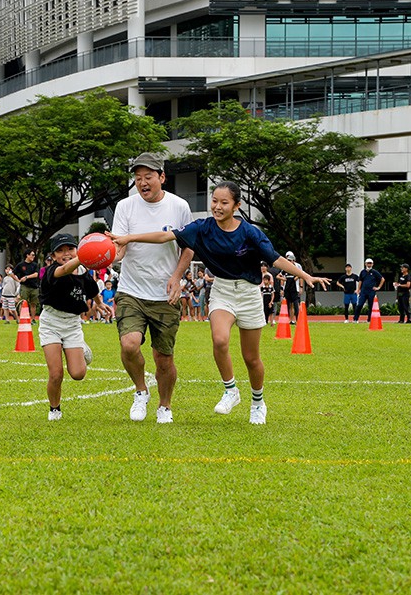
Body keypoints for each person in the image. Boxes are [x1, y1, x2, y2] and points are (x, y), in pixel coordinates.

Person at [112, 181, 330, 425]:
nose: (217, 206)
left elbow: (275, 258)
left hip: (249, 293)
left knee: (251, 358)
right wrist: (128, 238)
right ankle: (230, 390)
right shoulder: (202, 228)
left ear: (236, 206)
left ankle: (258, 402)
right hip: (222, 290)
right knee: (219, 340)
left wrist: (305, 275)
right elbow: (165, 236)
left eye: (224, 202)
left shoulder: (249, 232)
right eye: (214, 201)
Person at [110, 152, 194, 424]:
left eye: (148, 177)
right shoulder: (125, 206)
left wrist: (177, 277)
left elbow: (188, 247)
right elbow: (120, 247)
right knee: (129, 344)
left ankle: (164, 406)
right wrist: (109, 256)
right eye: (138, 178)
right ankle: (140, 390)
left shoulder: (179, 206)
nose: (142, 183)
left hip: (164, 294)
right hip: (131, 290)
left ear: (162, 177)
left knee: (163, 359)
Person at [38, 233, 112, 421]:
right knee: (56, 374)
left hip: (72, 324)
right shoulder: (52, 271)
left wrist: (100, 304)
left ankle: (81, 348)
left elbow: (93, 290)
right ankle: (54, 409)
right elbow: (64, 269)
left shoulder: (84, 273)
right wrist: (86, 256)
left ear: (77, 250)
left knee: (78, 374)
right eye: (60, 251)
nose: (66, 253)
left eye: (70, 249)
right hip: (51, 323)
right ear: (53, 256)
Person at [354, 258, 384, 323]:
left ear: (372, 264)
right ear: (365, 264)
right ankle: (355, 319)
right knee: (359, 305)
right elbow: (360, 281)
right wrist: (358, 289)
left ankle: (369, 320)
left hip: (371, 291)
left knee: (371, 306)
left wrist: (378, 287)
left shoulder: (374, 272)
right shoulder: (362, 272)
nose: (369, 265)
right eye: (368, 263)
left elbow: (382, 279)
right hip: (363, 291)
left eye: (370, 263)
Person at [14, 249, 41, 317]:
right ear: (27, 255)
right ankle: (22, 318)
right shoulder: (20, 265)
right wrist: (18, 280)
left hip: (34, 286)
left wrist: (26, 277)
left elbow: (36, 274)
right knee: (23, 302)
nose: (33, 256)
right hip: (24, 286)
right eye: (32, 255)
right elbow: (12, 273)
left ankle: (33, 319)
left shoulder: (35, 265)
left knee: (33, 304)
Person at [281, 251, 302, 324]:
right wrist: (282, 287)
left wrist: (301, 286)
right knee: (289, 304)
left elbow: (302, 275)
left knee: (296, 304)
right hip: (287, 287)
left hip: (295, 287)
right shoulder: (285, 266)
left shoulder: (298, 266)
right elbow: (281, 276)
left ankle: (298, 319)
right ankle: (291, 319)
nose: (288, 260)